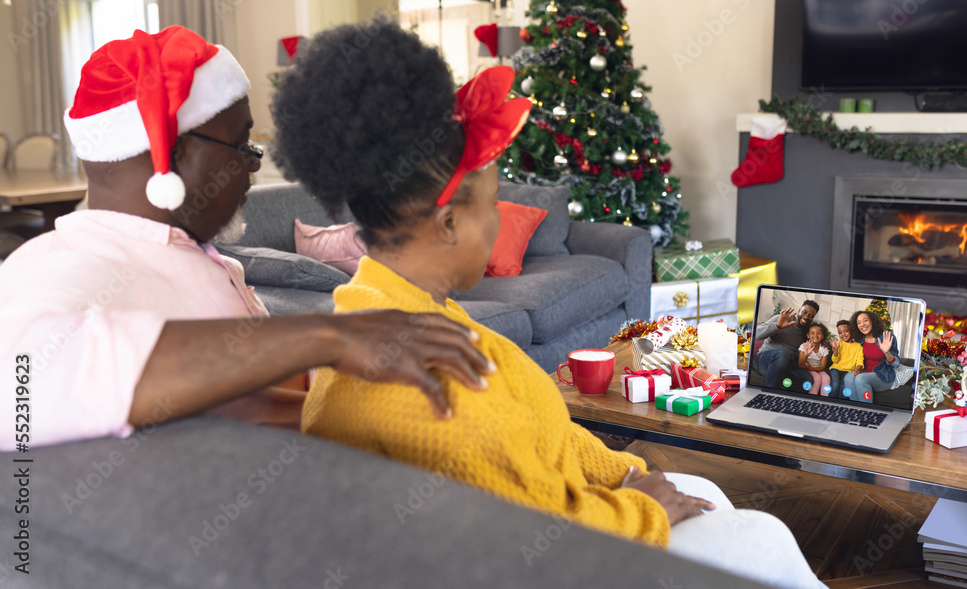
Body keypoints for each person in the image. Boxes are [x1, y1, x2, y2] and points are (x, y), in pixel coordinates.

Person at [275, 21, 825, 589]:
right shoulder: (422, 382)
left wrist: (631, 473)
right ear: (448, 223)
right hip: (553, 558)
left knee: (706, 493)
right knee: (763, 538)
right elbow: (527, 540)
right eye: (494, 204)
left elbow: (546, 434)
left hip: (571, 513)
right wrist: (644, 509)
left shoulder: (404, 310)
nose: (499, 222)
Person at [0, 26, 494, 451]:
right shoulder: (65, 259)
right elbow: (15, 381)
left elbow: (244, 395)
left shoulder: (180, 250)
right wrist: (330, 337)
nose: (252, 166)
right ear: (171, 155)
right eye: (241, 146)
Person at [753, 300, 820, 388]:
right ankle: (770, 393)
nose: (806, 317)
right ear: (799, 310)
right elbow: (755, 335)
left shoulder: (806, 332)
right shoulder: (781, 319)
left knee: (807, 380)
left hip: (787, 364)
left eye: (811, 316)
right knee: (783, 353)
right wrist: (777, 326)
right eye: (804, 312)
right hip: (765, 360)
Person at [843, 310, 899, 403]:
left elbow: (896, 364)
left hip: (883, 375)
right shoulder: (859, 339)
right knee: (848, 377)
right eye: (859, 323)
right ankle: (858, 410)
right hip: (864, 371)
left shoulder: (887, 337)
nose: (862, 324)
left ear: (872, 321)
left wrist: (886, 352)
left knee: (861, 378)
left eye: (865, 320)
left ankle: (867, 411)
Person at [829, 319, 864, 399]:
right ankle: (830, 403)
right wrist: (836, 349)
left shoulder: (858, 346)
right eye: (840, 333)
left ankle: (841, 406)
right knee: (835, 385)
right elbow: (835, 360)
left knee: (844, 387)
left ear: (851, 331)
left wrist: (857, 370)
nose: (843, 334)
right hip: (836, 368)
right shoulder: (838, 343)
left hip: (848, 371)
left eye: (845, 331)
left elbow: (860, 361)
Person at [798, 323, 831, 395]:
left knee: (827, 378)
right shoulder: (804, 346)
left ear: (822, 336)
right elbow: (800, 364)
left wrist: (811, 367)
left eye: (818, 333)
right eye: (812, 333)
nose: (815, 335)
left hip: (817, 368)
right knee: (817, 378)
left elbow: (822, 367)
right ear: (808, 335)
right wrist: (806, 355)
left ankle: (824, 399)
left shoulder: (824, 349)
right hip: (807, 368)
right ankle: (812, 399)